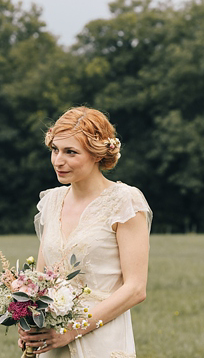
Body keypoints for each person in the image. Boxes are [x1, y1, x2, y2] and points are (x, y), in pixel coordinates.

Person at [18, 107, 152, 357]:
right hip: (52, 344)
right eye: (55, 149)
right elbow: (41, 281)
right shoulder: (51, 202)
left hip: (102, 341)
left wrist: (70, 331)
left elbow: (135, 289)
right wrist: (31, 327)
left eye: (71, 152)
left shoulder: (125, 202)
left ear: (96, 154)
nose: (59, 160)